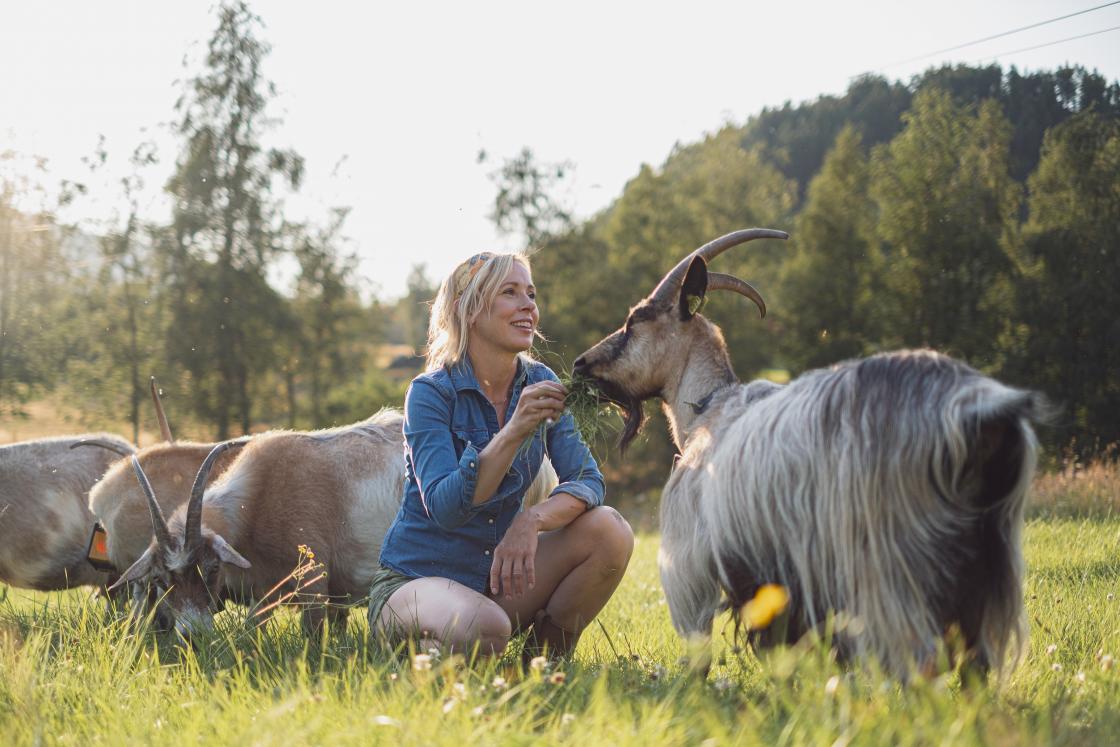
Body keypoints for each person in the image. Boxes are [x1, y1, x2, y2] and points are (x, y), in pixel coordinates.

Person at [370, 251, 634, 661]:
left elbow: (587, 479)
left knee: (610, 531)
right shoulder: (430, 394)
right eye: (510, 293)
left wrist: (532, 520)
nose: (529, 305)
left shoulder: (539, 381)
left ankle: (545, 667)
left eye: (531, 293)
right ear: (470, 309)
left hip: (494, 582)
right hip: (416, 580)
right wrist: (514, 430)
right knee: (487, 628)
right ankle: (425, 650)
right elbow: (445, 509)